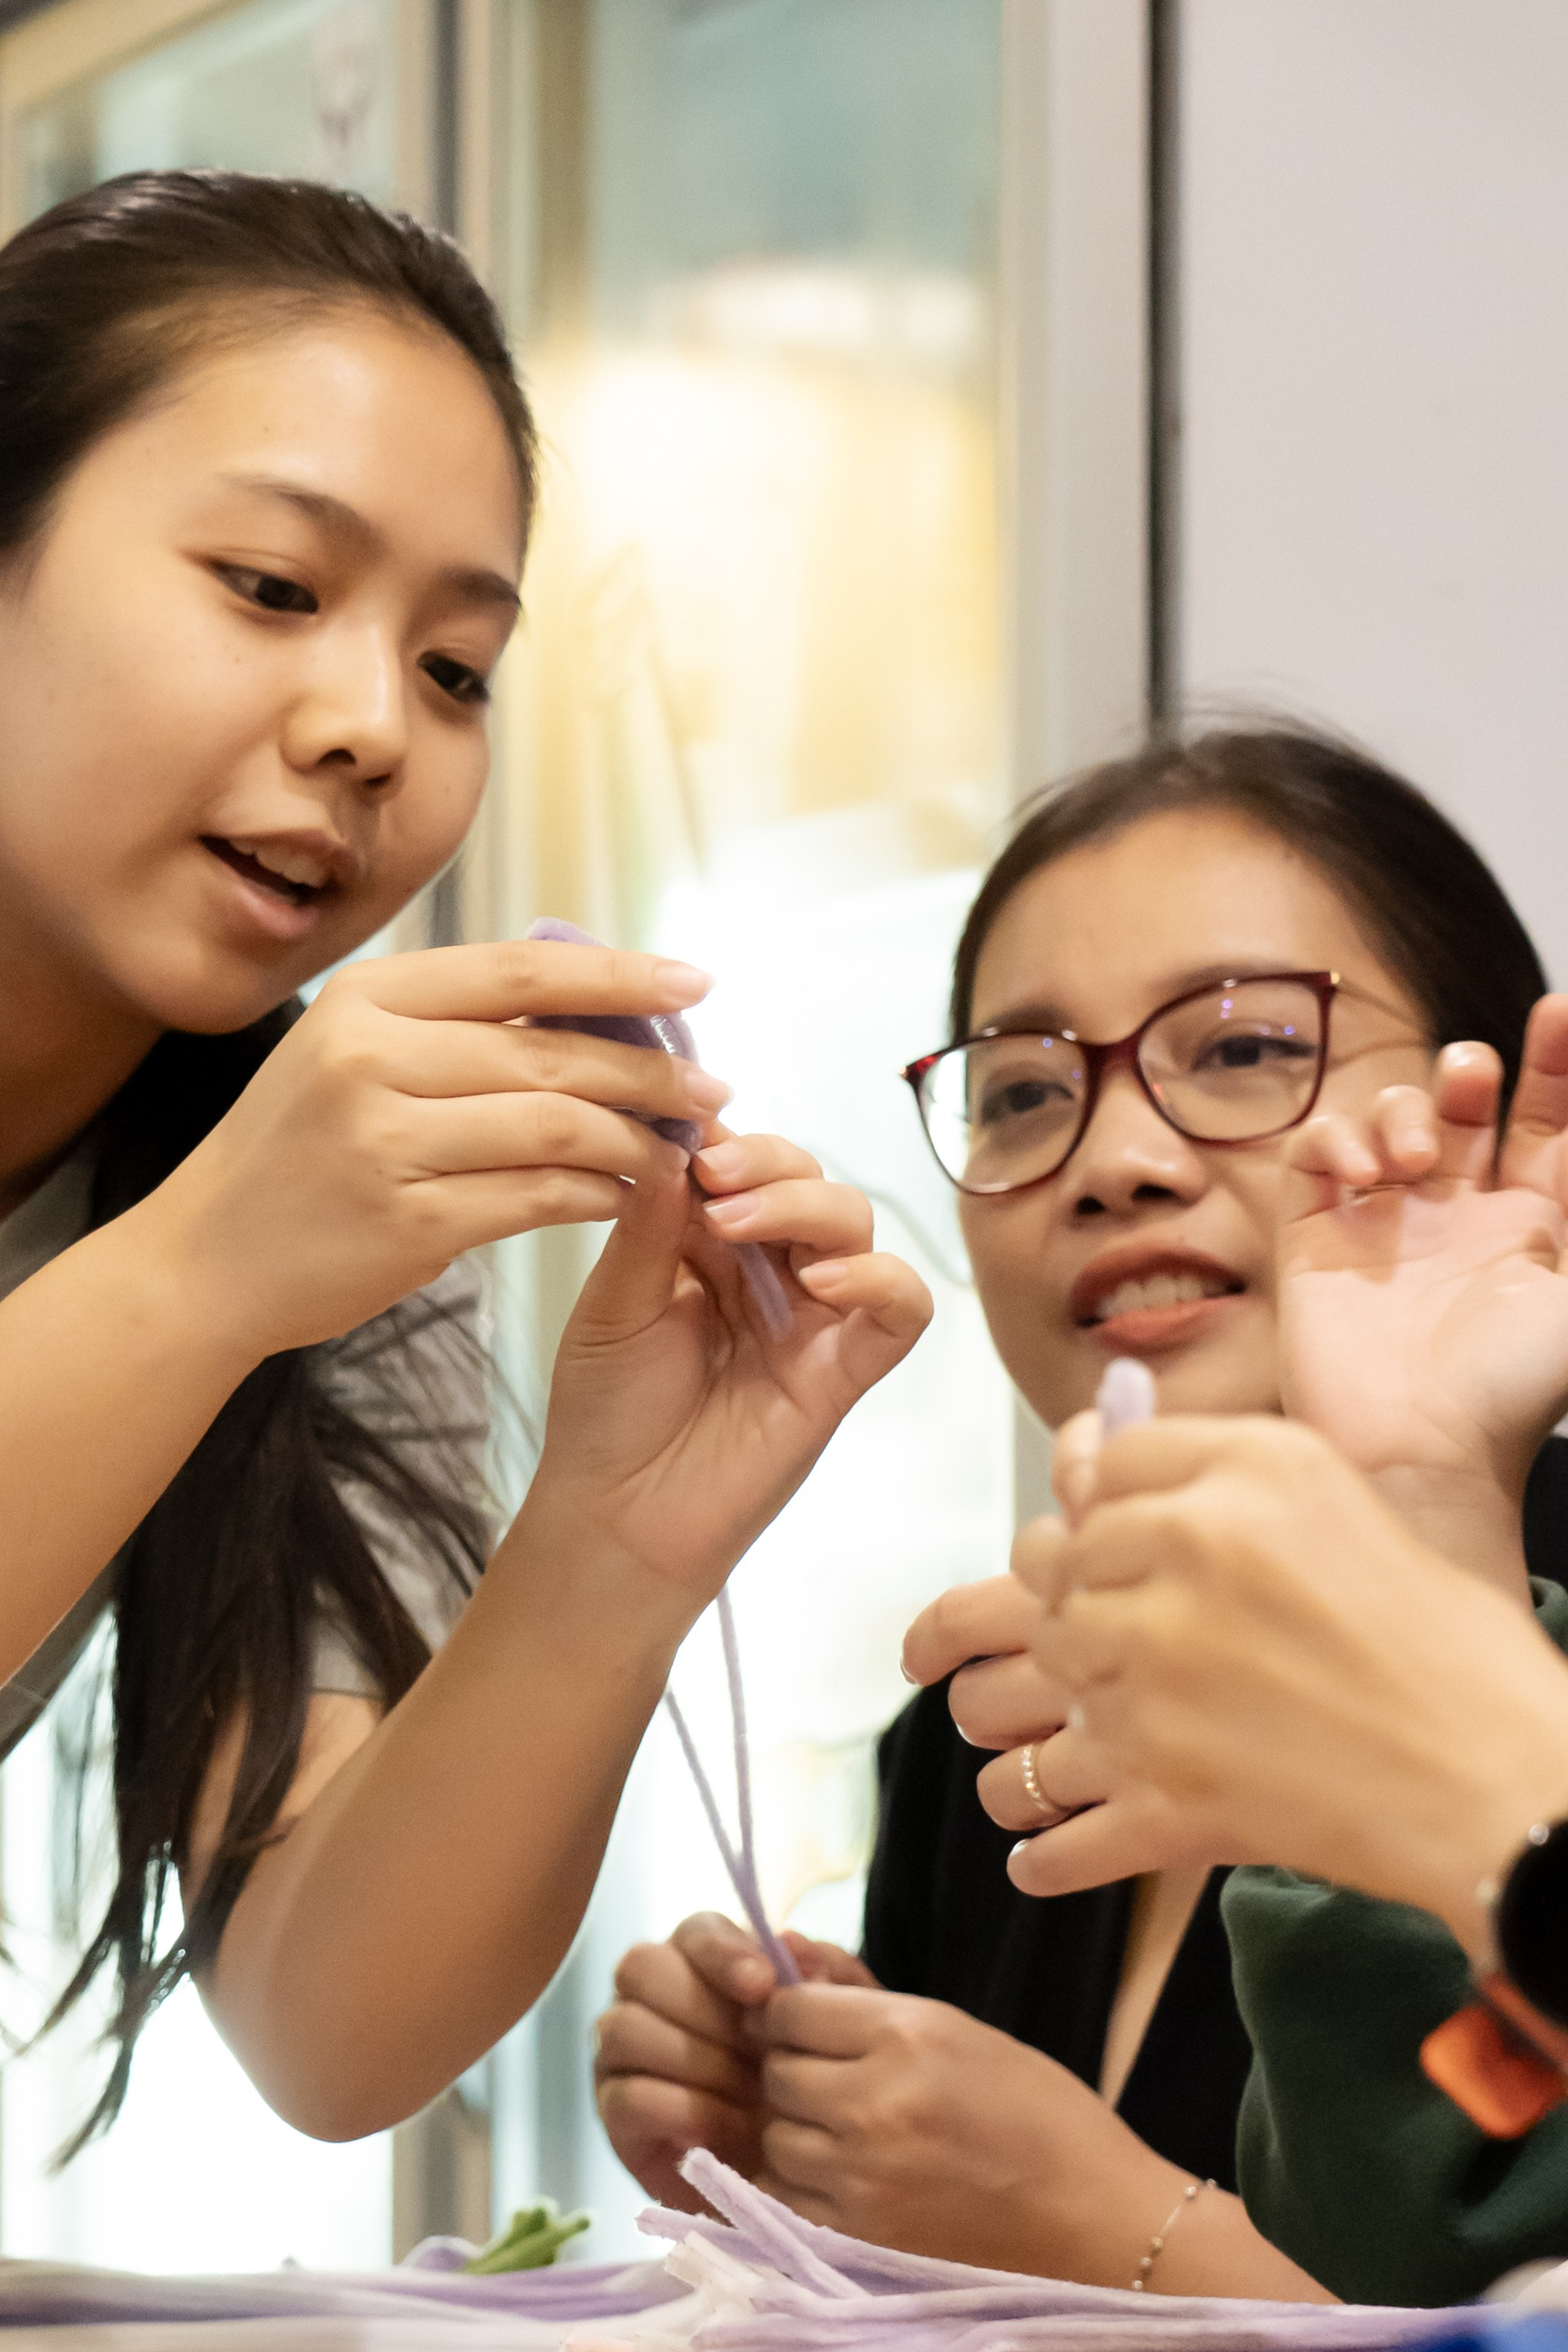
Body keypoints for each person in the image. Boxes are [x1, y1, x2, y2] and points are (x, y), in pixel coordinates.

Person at [0, 167, 930, 2152]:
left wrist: (614, 1539)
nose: (370, 730)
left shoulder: (310, 1192)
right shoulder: (263, 1218)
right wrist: (204, 1271)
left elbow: (333, 2032)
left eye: (455, 669)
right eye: (269, 585)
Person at [594, 723, 1557, 2297]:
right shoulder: (982, 1735)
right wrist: (802, 2143)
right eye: (1024, 1091)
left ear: (1493, 1100)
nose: (1109, 1160)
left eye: (1242, 1049)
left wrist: (1099, 2226)